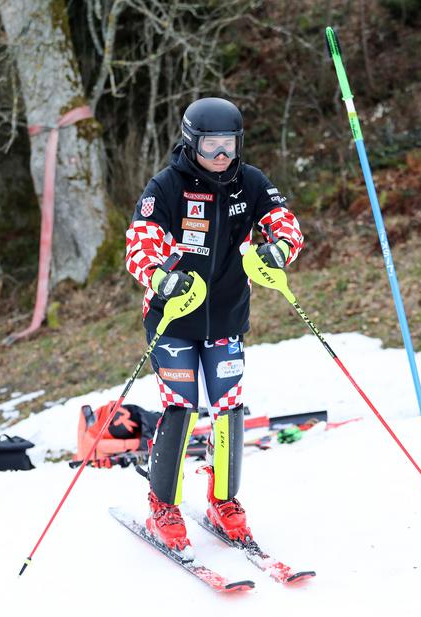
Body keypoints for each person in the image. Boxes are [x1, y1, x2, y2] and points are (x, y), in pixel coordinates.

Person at [124, 97, 304, 554]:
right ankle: (162, 505)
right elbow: (139, 246)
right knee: (181, 408)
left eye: (229, 145)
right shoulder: (167, 186)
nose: (221, 156)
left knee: (229, 408)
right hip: (175, 320)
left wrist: (276, 251)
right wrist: (163, 276)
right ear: (191, 142)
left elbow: (286, 225)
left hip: (225, 318)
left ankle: (224, 501)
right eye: (211, 146)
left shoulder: (251, 182)